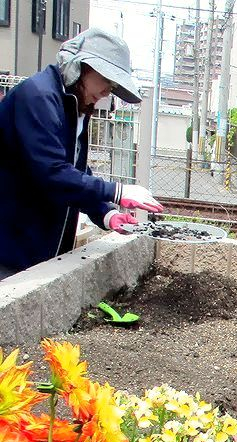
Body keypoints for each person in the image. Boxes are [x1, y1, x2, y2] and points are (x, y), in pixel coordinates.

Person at [0, 28, 163, 278]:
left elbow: (75, 173)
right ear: (82, 67)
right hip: (11, 248)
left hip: (40, 246)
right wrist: (117, 191)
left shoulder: (76, 103)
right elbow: (52, 173)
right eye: (107, 80)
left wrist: (105, 213)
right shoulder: (38, 97)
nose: (108, 91)